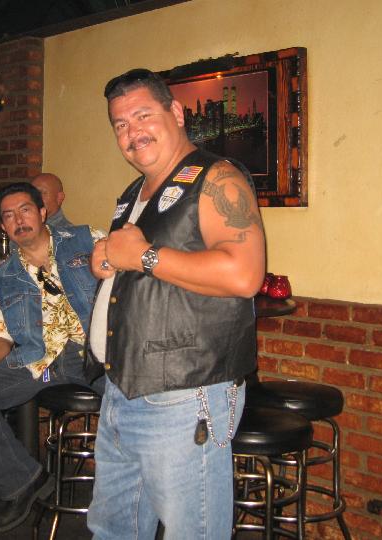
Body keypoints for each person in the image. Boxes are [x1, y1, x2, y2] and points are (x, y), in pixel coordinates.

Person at [86, 68, 266, 539]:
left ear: (178, 113)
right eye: (121, 124)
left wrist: (142, 256)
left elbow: (244, 275)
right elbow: (147, 269)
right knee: (113, 531)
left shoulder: (217, 178)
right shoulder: (134, 193)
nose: (133, 132)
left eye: (143, 115)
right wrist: (108, 260)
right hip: (122, 388)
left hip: (185, 394)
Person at [0, 182, 104, 533]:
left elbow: (126, 282)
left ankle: (134, 501)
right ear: (3, 226)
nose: (18, 220)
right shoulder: (4, 276)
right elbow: (0, 334)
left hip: (94, 353)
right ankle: (25, 482)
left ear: (42, 212)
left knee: (132, 401)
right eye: (9, 216)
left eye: (24, 210)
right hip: (40, 358)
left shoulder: (86, 240)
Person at [0, 172, 73, 346]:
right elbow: (8, 284)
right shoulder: (20, 233)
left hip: (44, 323)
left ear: (59, 198)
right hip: (12, 308)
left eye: (42, 193)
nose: (19, 219)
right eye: (9, 215)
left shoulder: (70, 240)